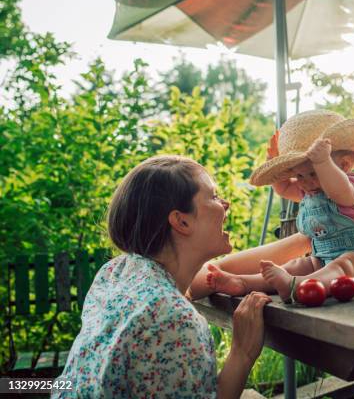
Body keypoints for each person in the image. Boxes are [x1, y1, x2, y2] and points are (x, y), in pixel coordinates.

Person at [52, 155, 271, 398]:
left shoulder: (117, 272)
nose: (226, 203)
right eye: (214, 196)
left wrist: (306, 239)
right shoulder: (175, 318)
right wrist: (242, 352)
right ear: (181, 221)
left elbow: (220, 270)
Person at [190, 110, 354, 302]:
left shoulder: (353, 185)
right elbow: (282, 189)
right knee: (298, 265)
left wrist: (323, 162)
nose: (305, 182)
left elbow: (339, 192)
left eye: (313, 173)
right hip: (324, 262)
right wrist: (275, 161)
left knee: (346, 262)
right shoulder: (309, 190)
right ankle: (244, 283)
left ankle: (296, 286)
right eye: (299, 175)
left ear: (343, 165)